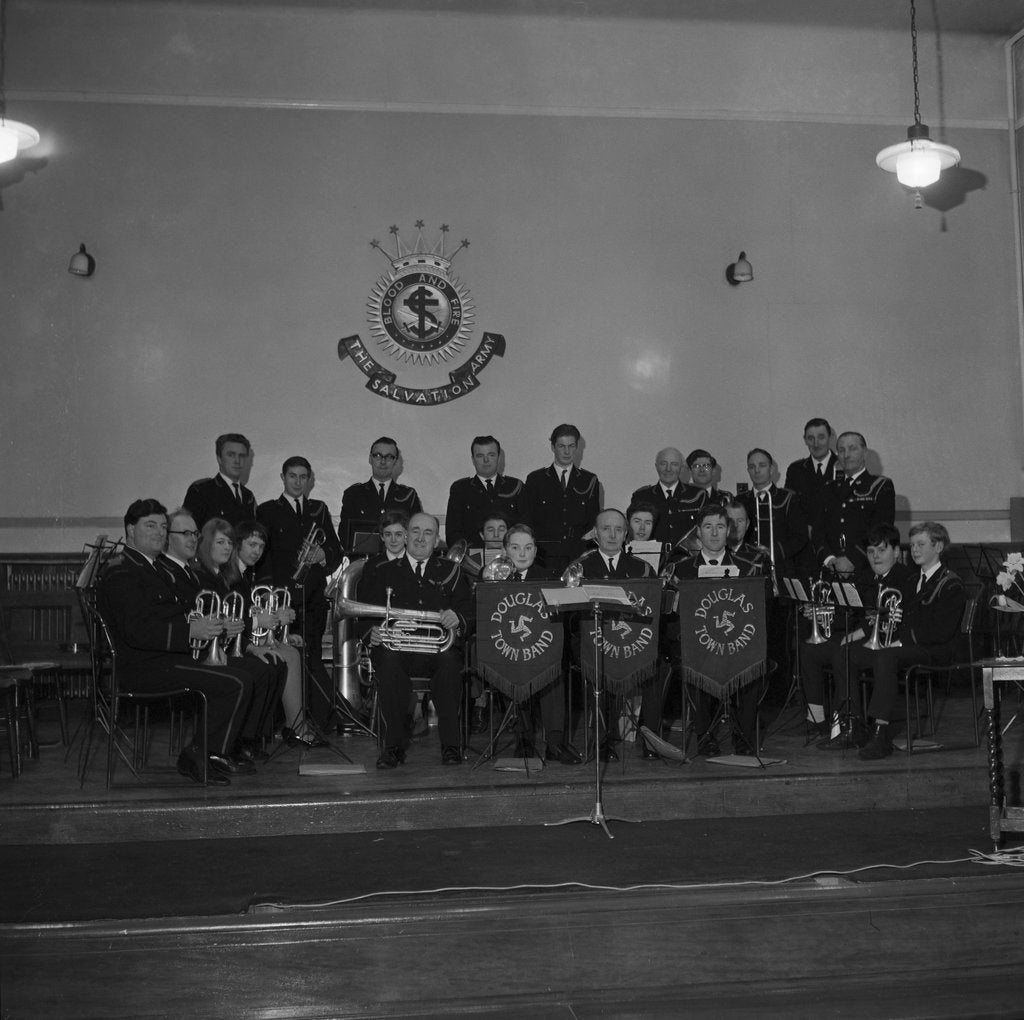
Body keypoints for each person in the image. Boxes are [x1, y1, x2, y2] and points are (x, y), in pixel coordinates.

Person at [97, 499, 268, 785]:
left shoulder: (151, 568)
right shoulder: (122, 570)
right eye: (150, 525)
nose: (159, 532)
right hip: (143, 668)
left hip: (165, 659)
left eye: (163, 526)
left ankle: (215, 751)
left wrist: (203, 627)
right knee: (236, 682)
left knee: (242, 675)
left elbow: (175, 614)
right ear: (130, 529)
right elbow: (137, 631)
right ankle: (201, 755)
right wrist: (191, 632)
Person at [833, 522, 966, 761]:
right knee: (848, 653)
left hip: (934, 651)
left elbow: (940, 632)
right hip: (907, 646)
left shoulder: (951, 583)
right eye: (912, 544)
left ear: (938, 547)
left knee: (886, 655)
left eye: (921, 544)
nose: (914, 550)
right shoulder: (913, 580)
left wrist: (898, 641)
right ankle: (854, 725)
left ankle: (880, 734)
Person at [648, 504, 765, 757]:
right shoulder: (681, 570)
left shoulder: (748, 569)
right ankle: (705, 737)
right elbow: (667, 613)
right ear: (698, 533)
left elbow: (758, 613)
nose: (714, 533)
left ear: (729, 531)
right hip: (698, 646)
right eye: (708, 527)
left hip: (738, 645)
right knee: (695, 664)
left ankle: (743, 737)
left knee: (753, 666)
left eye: (720, 527)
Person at [359, 513, 473, 769]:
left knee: (449, 664)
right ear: (407, 535)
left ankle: (451, 746)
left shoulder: (452, 571)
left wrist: (457, 618)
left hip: (436, 649)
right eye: (415, 531)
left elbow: (469, 612)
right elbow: (365, 616)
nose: (421, 538)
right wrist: (372, 633)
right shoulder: (381, 571)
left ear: (436, 541)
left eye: (428, 533)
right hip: (395, 648)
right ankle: (393, 747)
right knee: (388, 663)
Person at [800, 524, 911, 745]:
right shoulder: (865, 577)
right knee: (809, 649)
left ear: (896, 552)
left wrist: (858, 633)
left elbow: (899, 618)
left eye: (881, 550)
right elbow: (851, 612)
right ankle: (819, 720)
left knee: (843, 655)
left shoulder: (906, 577)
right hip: (862, 638)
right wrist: (820, 611)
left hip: (890, 644)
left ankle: (852, 725)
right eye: (871, 552)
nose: (875, 557)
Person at [257, 456, 344, 728]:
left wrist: (321, 555)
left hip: (314, 598)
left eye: (303, 476)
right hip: (282, 601)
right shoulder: (268, 510)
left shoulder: (319, 509)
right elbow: (262, 556)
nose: (297, 481)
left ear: (310, 480)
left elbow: (336, 552)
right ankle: (289, 720)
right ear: (283, 478)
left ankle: (316, 719)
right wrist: (270, 596)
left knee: (312, 657)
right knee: (286, 659)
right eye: (292, 476)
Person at [575, 508, 656, 761]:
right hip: (595, 644)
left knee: (656, 668)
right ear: (595, 533)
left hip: (634, 643)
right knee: (595, 666)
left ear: (626, 535)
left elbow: (653, 607)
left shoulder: (642, 569)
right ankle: (601, 742)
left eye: (618, 529)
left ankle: (650, 740)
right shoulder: (580, 567)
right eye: (606, 529)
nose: (612, 534)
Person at [500, 523, 582, 765]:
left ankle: (555, 744)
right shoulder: (494, 577)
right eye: (515, 547)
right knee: (505, 667)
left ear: (536, 551)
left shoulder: (550, 578)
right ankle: (523, 739)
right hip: (508, 647)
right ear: (506, 551)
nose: (522, 554)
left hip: (543, 647)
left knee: (554, 669)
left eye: (528, 547)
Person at [812, 431, 896, 582]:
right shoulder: (827, 489)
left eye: (852, 448)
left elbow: (881, 529)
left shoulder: (880, 486)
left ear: (865, 453)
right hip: (831, 571)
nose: (846, 454)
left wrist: (852, 558)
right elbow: (818, 531)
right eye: (841, 450)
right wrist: (829, 559)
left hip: (866, 570)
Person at [523, 424, 601, 575]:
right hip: (544, 556)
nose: (566, 451)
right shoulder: (536, 479)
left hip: (577, 555)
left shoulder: (589, 480)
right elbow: (527, 519)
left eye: (571, 446)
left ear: (577, 447)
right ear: (553, 447)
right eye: (561, 446)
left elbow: (593, 520)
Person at [337, 437, 422, 552]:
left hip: (399, 563)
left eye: (389, 457)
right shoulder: (353, 494)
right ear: (370, 459)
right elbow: (345, 534)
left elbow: (416, 532)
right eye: (377, 456)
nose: (383, 461)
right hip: (363, 562)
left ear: (396, 461)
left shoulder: (408, 496)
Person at [444, 435, 525, 549]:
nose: (486, 460)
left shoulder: (515, 486)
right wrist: (473, 557)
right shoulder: (461, 489)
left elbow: (524, 527)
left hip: (510, 556)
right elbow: (453, 533)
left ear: (499, 457)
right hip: (472, 559)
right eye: (480, 456)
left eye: (491, 455)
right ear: (473, 459)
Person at [629, 447, 704, 548]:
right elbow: (633, 533)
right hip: (653, 558)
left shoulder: (697, 496)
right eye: (663, 464)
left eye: (674, 464)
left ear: (681, 467)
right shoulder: (641, 497)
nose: (668, 469)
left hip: (687, 559)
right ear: (656, 466)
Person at [183, 433, 257, 529]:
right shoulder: (202, 490)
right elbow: (187, 530)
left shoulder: (248, 496)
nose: (237, 461)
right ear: (219, 459)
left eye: (242, 456)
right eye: (231, 455)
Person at [784, 417, 839, 525]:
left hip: (836, 536)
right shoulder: (795, 470)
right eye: (811, 438)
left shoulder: (843, 467)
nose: (816, 444)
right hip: (806, 537)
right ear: (805, 440)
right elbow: (791, 508)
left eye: (821, 437)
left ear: (830, 437)